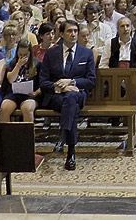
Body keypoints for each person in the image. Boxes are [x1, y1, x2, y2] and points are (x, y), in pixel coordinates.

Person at [39, 19, 96, 170]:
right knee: (70, 103)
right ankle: (71, 150)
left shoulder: (87, 53)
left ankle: (64, 138)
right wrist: (60, 88)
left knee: (71, 99)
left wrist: (71, 82)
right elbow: (43, 82)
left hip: (79, 94)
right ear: (62, 34)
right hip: (56, 96)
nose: (73, 34)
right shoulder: (51, 53)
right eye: (69, 31)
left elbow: (91, 81)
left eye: (75, 31)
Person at [0, 39, 41, 124]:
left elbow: (43, 84)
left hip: (30, 95)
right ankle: (6, 135)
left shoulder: (37, 64)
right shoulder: (12, 63)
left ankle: (26, 136)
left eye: (25, 55)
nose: (22, 57)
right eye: (20, 54)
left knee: (27, 109)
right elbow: (10, 79)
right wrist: (18, 65)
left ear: (30, 53)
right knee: (4, 109)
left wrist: (36, 93)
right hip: (13, 93)